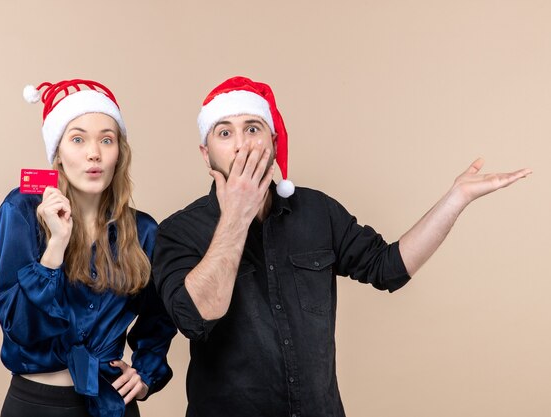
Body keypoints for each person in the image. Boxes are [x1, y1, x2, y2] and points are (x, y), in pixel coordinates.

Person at [152, 76, 532, 417]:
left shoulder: (317, 211)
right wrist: (235, 214)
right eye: (224, 133)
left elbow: (389, 268)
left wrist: (456, 198)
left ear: (272, 140)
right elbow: (196, 316)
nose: (241, 146)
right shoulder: (178, 232)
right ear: (206, 154)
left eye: (252, 128)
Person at [0, 79, 176, 417]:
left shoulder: (144, 230)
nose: (94, 153)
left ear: (119, 152)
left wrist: (147, 372)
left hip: (110, 404)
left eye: (107, 140)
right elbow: (19, 326)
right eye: (78, 139)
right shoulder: (21, 211)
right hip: (35, 405)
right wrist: (56, 247)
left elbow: (161, 315)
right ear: (57, 152)